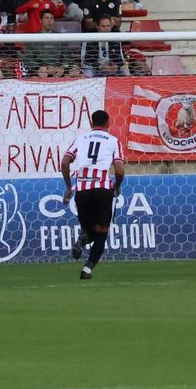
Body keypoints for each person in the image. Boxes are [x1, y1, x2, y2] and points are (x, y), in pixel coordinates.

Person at [60, 109, 126, 280]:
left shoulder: (81, 139)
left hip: (82, 190)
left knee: (89, 230)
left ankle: (82, 240)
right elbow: (119, 170)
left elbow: (65, 162)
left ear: (91, 123)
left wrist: (69, 187)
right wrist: (117, 187)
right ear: (108, 123)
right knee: (101, 233)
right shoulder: (113, 141)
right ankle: (87, 270)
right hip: (102, 190)